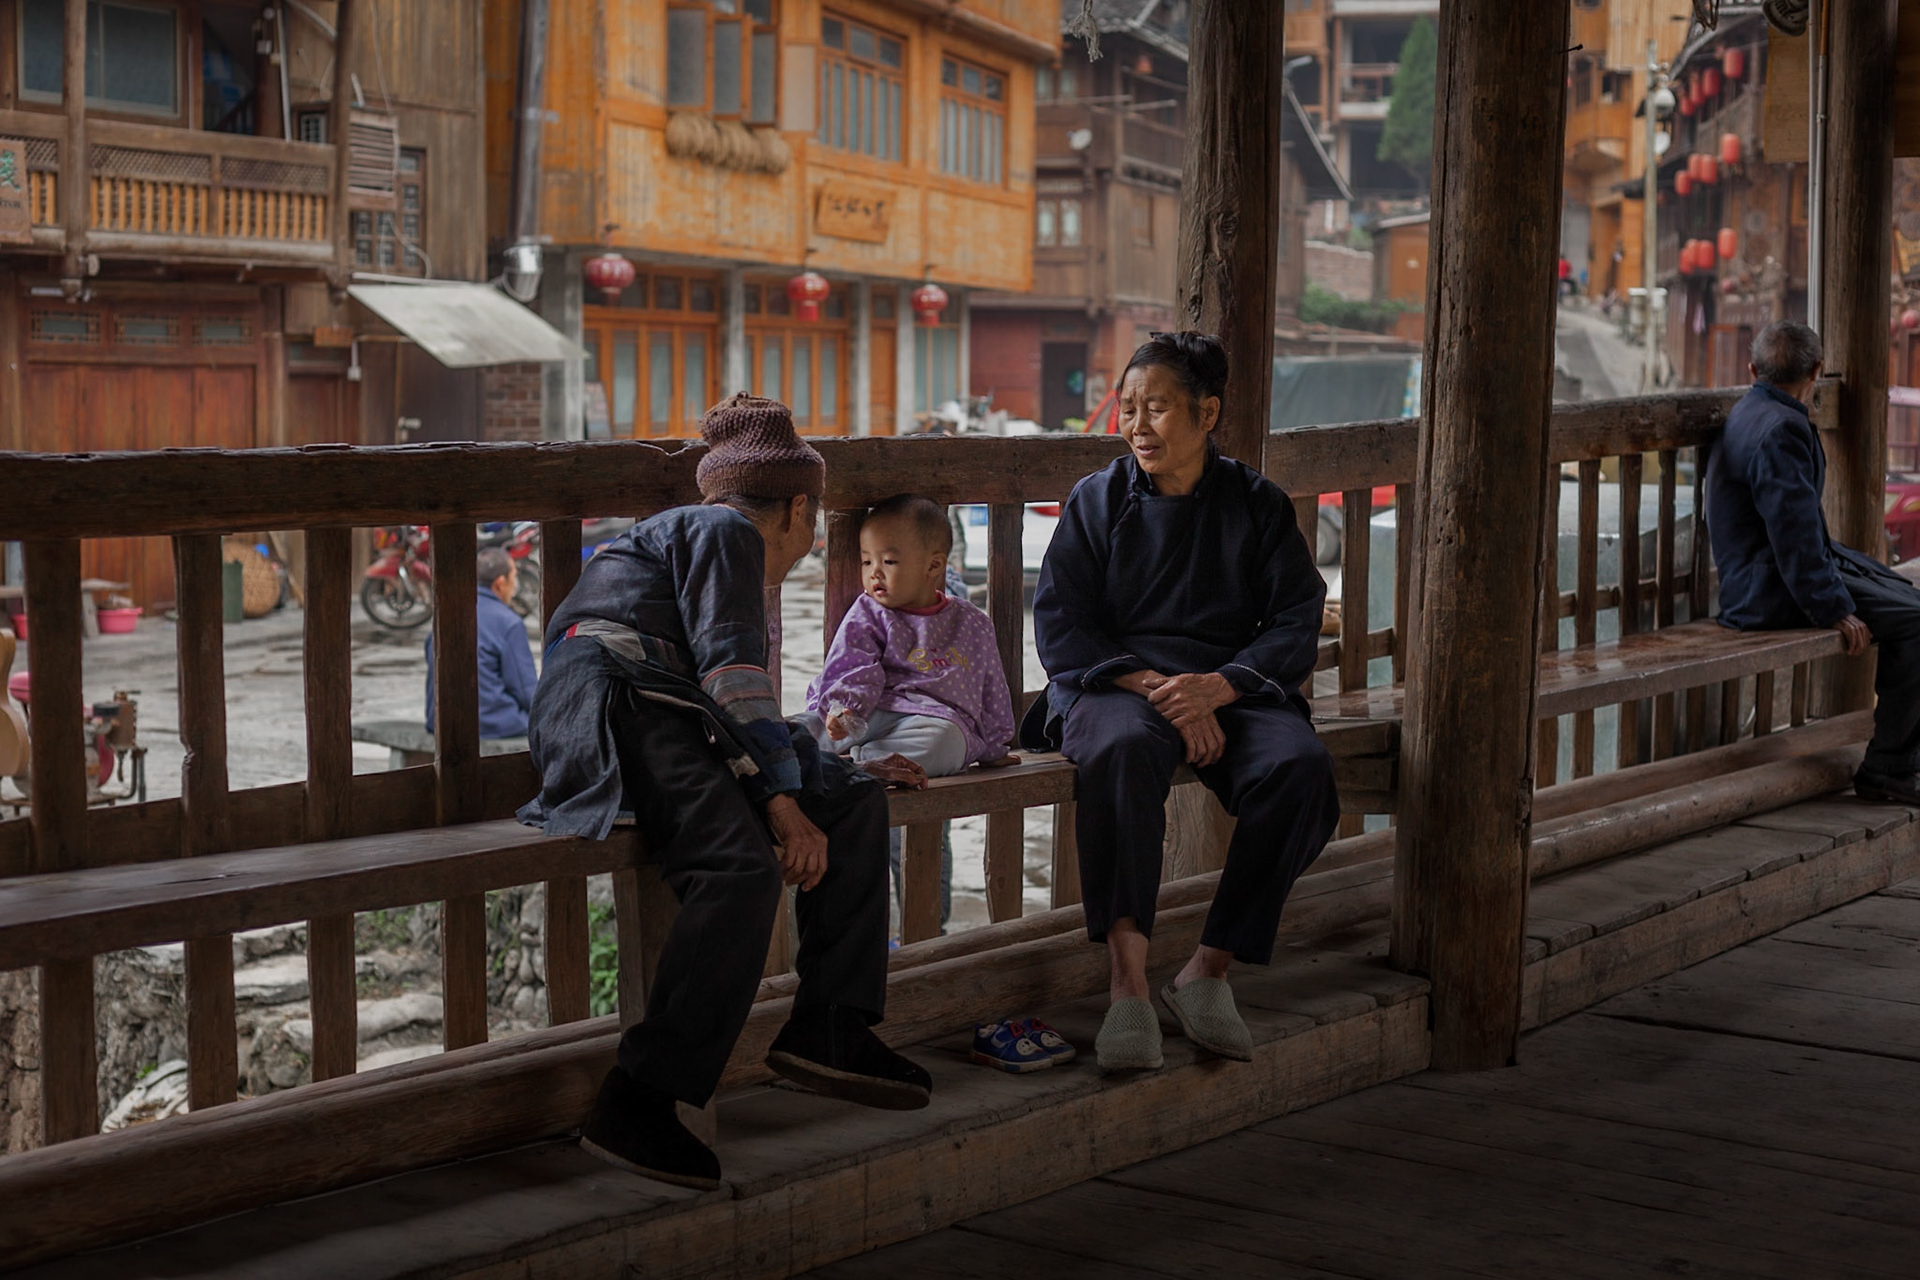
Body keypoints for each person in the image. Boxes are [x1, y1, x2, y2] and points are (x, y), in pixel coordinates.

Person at [518, 393, 930, 1191]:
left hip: (669, 711)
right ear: (799, 509)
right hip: (610, 707)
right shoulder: (724, 532)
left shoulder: (714, 542)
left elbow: (737, 703)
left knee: (851, 802)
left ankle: (830, 1027)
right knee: (738, 868)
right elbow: (732, 683)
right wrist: (780, 799)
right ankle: (637, 1099)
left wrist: (824, 776)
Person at [1024, 331, 1339, 1073]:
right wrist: (1153, 688)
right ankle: (1127, 987)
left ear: (1207, 413)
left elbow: (1298, 614)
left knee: (1299, 770)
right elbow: (1061, 617)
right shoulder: (1097, 501)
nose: (1137, 425)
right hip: (1118, 682)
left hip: (1226, 683)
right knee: (1123, 750)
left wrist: (1220, 688)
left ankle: (1206, 971)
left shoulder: (1256, 503)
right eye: (1128, 408)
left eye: (1157, 409)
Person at [1706, 320, 1920, 803]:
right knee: (1915, 620)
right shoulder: (1781, 429)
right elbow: (1794, 538)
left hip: (1766, 576)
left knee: (1906, 596)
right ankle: (1890, 768)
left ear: (1752, 368)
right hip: (1767, 591)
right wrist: (1833, 609)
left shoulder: (1752, 410)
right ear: (1817, 372)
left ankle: (1901, 759)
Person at [801, 493, 1016, 787]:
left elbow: (991, 688)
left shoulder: (971, 622)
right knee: (806, 728)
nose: (874, 572)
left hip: (932, 719)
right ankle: (822, 757)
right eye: (866, 561)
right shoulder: (869, 612)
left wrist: (994, 747)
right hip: (870, 710)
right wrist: (843, 707)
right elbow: (851, 662)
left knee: (947, 742)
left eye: (889, 561)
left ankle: (861, 763)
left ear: (933, 566)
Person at [424, 547, 537, 739]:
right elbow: (526, 691)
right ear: (500, 583)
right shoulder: (509, 622)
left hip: (440, 723)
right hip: (494, 723)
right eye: (513, 577)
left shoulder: (446, 615)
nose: (514, 585)